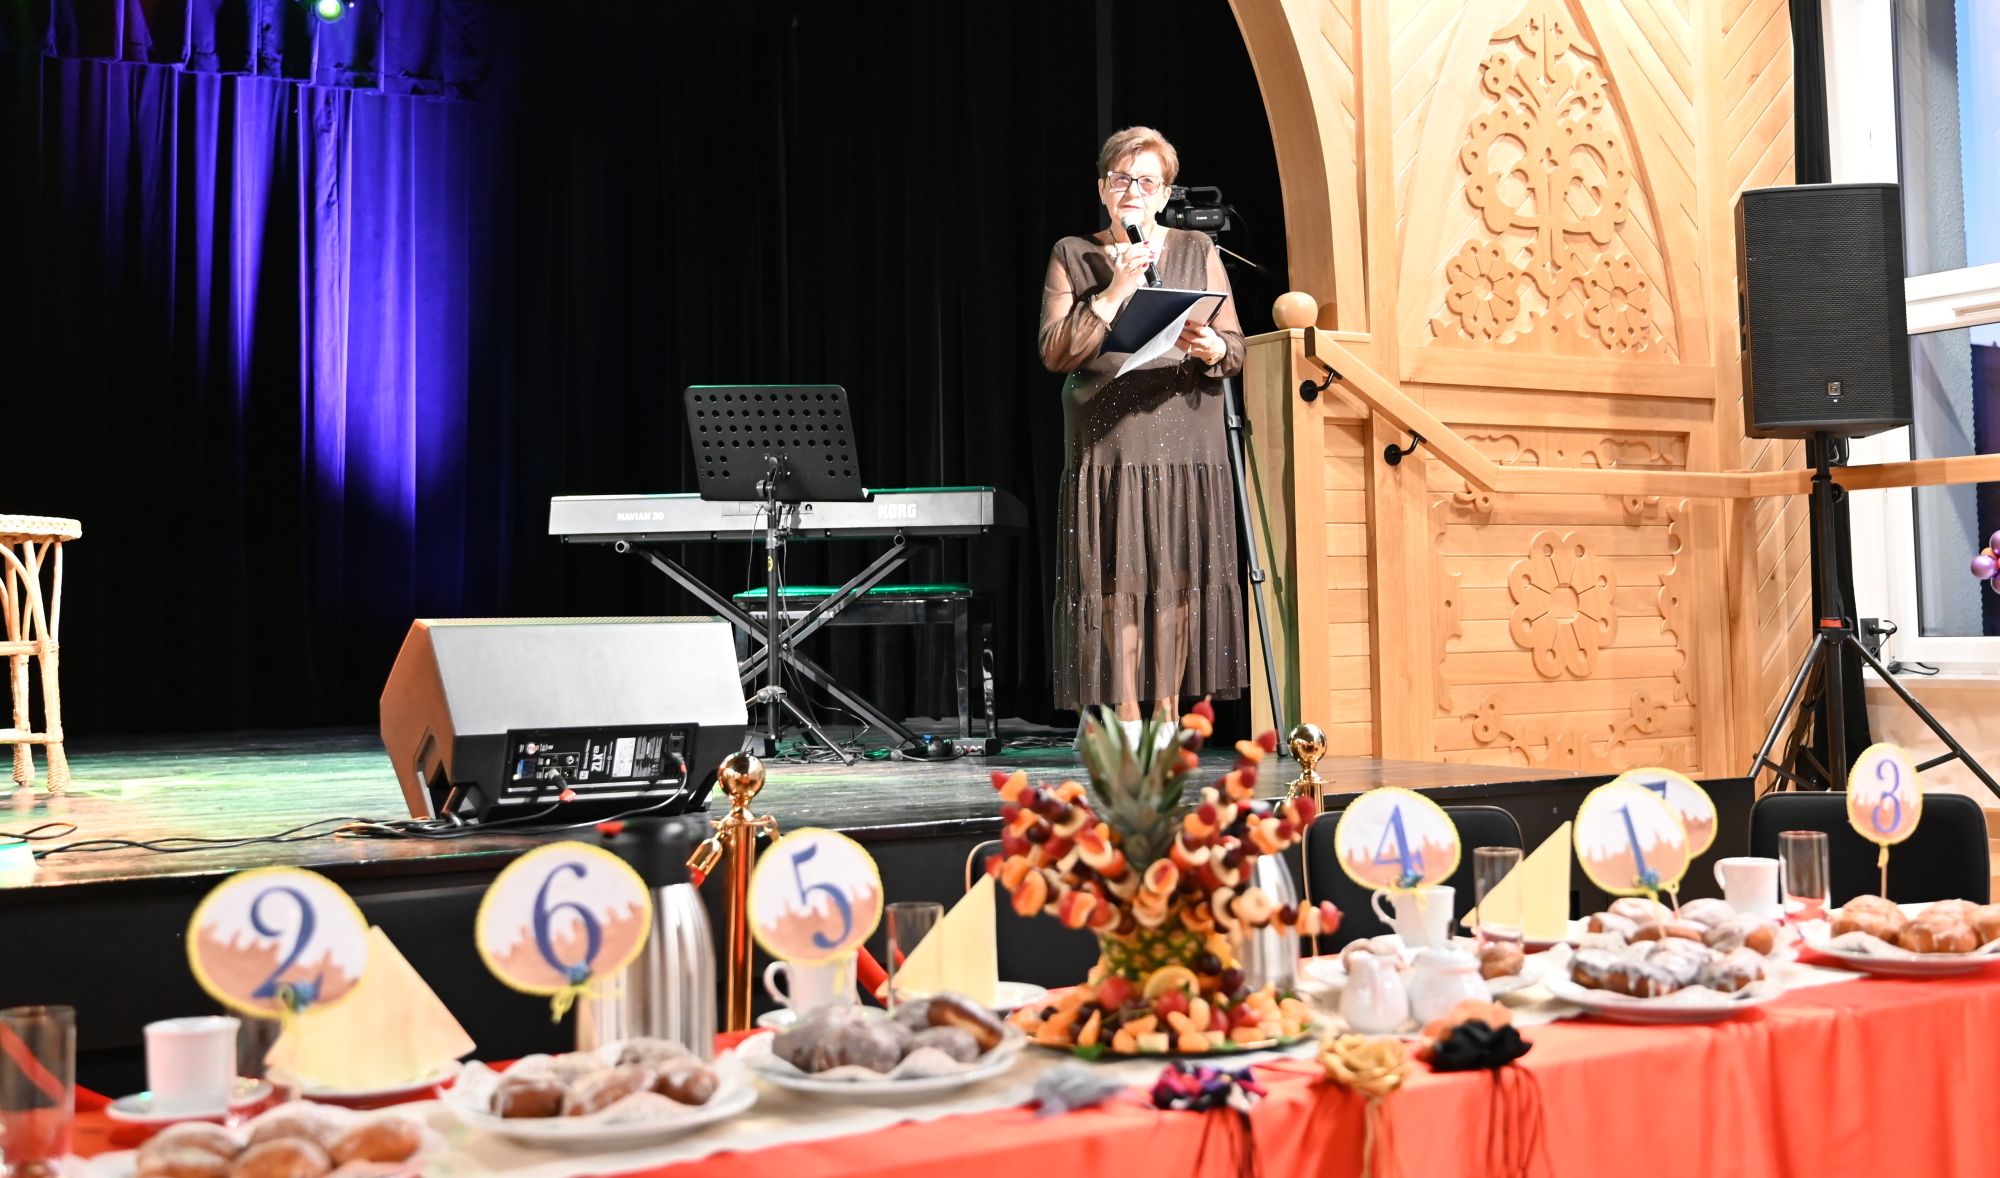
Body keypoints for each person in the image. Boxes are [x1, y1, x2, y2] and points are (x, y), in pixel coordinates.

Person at [1038, 126, 1247, 744]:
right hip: (1112, 435)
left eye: (1147, 181)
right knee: (1119, 579)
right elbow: (1057, 351)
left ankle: (1165, 719)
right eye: (1122, 178)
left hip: (1186, 431)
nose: (1133, 189)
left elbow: (1234, 346)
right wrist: (1115, 291)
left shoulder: (1195, 248)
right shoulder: (1073, 252)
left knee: (1178, 578)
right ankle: (1126, 718)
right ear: (1103, 188)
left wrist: (1213, 348)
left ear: (1163, 193)